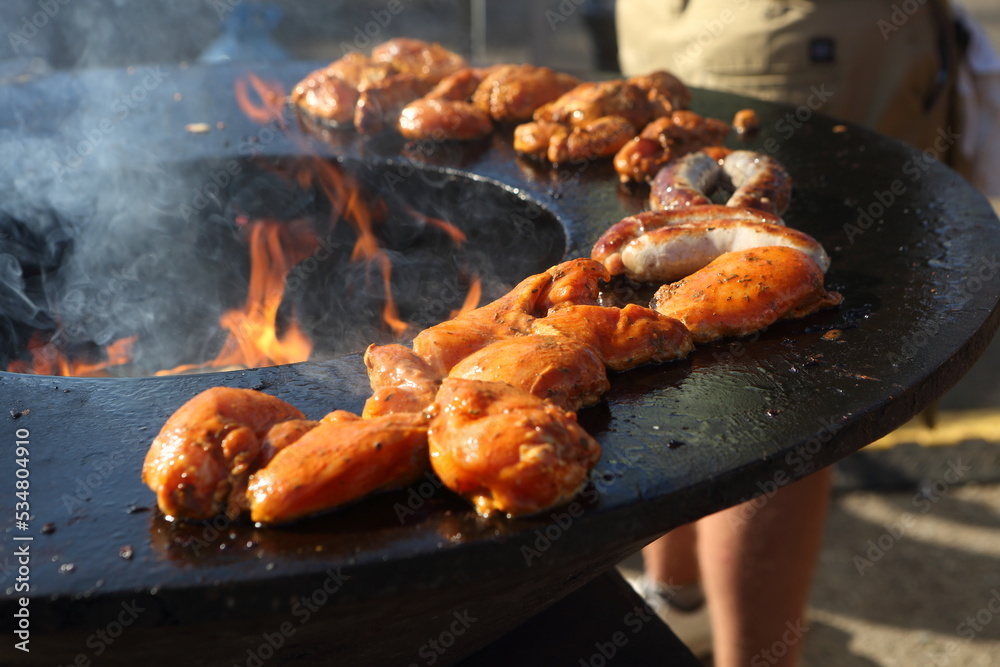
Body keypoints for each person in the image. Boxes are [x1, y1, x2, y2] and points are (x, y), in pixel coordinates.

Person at [614, 1, 965, 665]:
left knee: (704, 355)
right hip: (791, 43)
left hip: (685, 26)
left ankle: (678, 597)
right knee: (778, 390)